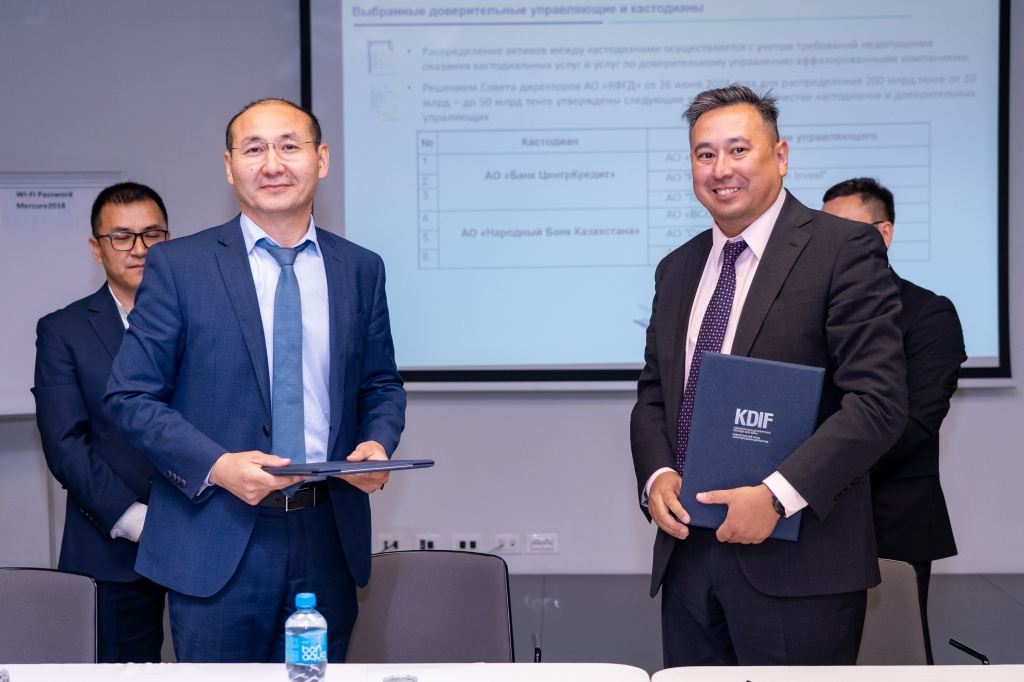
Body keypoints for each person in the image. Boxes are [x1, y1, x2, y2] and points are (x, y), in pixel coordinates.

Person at [104, 98, 406, 663]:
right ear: (229, 166)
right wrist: (218, 466)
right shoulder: (180, 266)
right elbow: (130, 396)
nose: (272, 164)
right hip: (215, 535)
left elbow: (380, 383)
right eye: (253, 149)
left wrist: (376, 442)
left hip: (327, 534)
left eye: (289, 146)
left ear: (321, 159)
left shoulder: (360, 268)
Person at [630, 85, 908, 666]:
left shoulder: (843, 249)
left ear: (780, 156)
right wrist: (656, 476)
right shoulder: (676, 268)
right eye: (705, 154)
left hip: (799, 565)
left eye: (738, 150)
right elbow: (656, 394)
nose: (721, 169)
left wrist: (777, 498)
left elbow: (877, 402)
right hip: (688, 563)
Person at [823, 177, 965, 664]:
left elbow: (914, 425)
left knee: (890, 659)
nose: (831, 244)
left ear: (883, 234)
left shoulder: (928, 314)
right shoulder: (807, 311)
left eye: (846, 231)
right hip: (808, 519)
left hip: (889, 521)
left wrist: (816, 471)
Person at [33, 181, 170, 662]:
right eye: (122, 236)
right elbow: (66, 444)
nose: (139, 248)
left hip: (204, 540)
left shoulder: (204, 320)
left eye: (152, 234)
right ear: (97, 248)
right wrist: (136, 520)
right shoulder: (63, 331)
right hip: (112, 550)